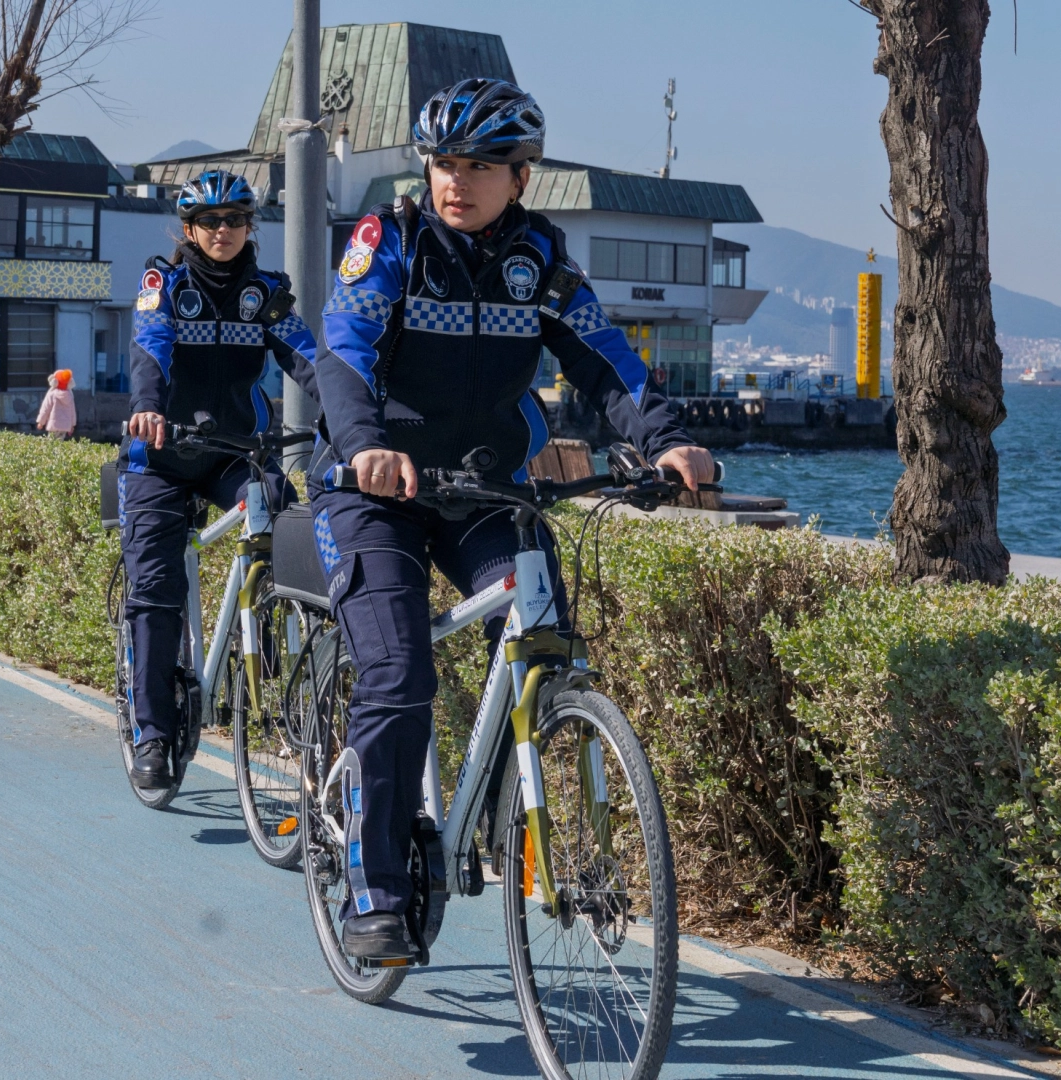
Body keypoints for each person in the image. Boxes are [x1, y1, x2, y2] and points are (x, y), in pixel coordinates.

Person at [311, 78, 715, 958]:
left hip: (484, 493)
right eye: (444, 164)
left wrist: (669, 441)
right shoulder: (392, 242)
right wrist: (367, 444)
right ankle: (374, 889)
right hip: (373, 491)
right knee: (399, 672)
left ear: (521, 177)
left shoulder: (542, 261)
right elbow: (342, 353)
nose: (457, 181)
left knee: (542, 638)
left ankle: (490, 819)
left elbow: (606, 362)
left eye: (481, 167)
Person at [118, 170, 319, 791]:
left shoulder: (266, 293)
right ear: (189, 229)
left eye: (234, 219)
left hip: (233, 452)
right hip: (161, 454)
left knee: (279, 505)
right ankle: (153, 735)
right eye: (209, 221)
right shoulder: (165, 284)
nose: (223, 230)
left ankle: (272, 640)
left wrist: (352, 417)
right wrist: (148, 408)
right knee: (156, 591)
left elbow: (308, 357)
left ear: (249, 227)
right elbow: (150, 348)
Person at [36, 368, 77, 438]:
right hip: (65, 425)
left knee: (51, 443)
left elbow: (45, 408)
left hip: (53, 425)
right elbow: (72, 411)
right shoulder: (70, 395)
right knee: (59, 443)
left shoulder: (52, 394)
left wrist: (41, 422)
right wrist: (72, 424)